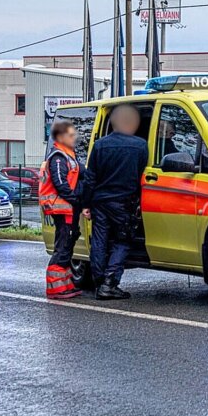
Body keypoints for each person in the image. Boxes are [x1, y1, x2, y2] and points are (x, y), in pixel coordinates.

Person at [84, 104, 148, 300]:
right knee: (123, 241)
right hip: (124, 202)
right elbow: (141, 175)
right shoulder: (140, 145)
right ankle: (109, 283)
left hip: (100, 202)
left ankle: (98, 282)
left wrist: (86, 204)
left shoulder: (100, 145)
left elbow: (90, 177)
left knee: (99, 241)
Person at [38, 120, 85, 299]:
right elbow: (61, 185)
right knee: (63, 246)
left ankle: (65, 284)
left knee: (68, 243)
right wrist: (76, 201)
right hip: (62, 208)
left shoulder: (69, 155)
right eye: (71, 135)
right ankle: (55, 288)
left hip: (68, 208)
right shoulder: (58, 157)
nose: (75, 138)